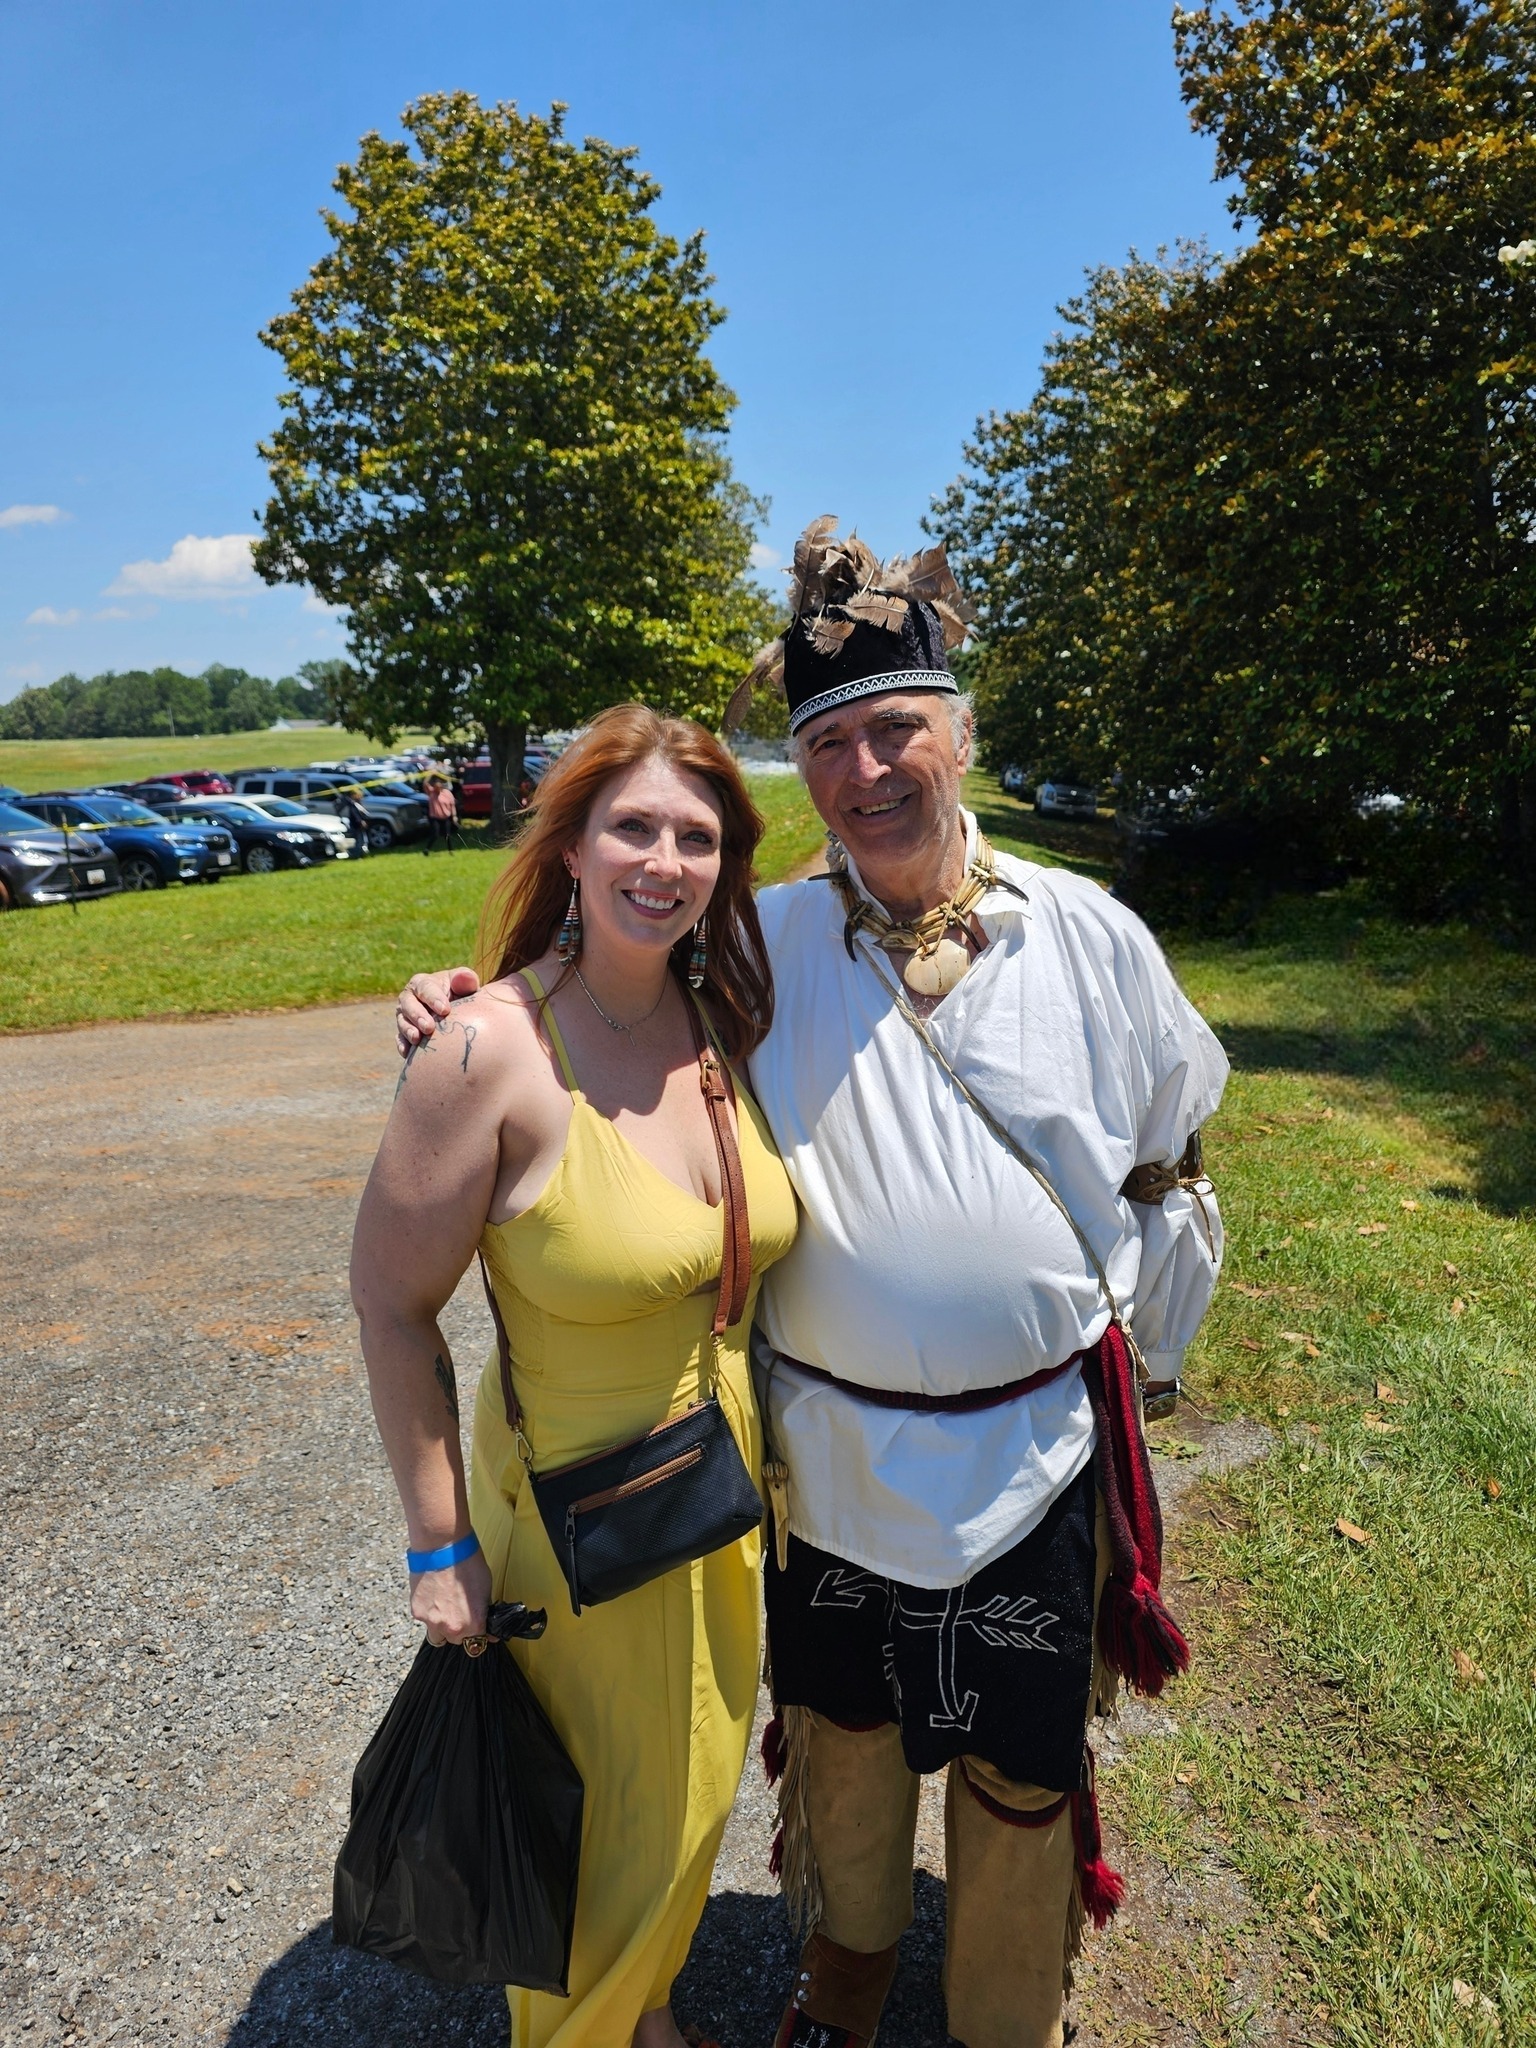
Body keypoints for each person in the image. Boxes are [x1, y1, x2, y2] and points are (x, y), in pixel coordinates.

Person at [396, 520, 1229, 2048]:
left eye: (897, 728)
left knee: (1022, 1762)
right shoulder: (758, 947)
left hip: (1037, 1451)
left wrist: (1154, 1342)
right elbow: (598, 991)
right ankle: (841, 1991)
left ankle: (1000, 2018)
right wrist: (467, 1001)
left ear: (960, 736)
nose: (866, 771)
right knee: (845, 1747)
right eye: (830, 741)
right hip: (829, 1461)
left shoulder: (1092, 933)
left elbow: (1173, 1147)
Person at [353, 704, 798, 2048]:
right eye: (635, 827)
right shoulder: (489, 1050)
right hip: (579, 1525)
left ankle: (641, 2011)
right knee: (604, 1828)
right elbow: (389, 1304)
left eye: (698, 837)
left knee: (691, 1798)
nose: (665, 860)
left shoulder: (728, 1017)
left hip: (718, 1499)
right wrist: (439, 1548)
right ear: (573, 842)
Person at [423, 771, 458, 853]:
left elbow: (452, 805)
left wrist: (454, 816)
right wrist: (430, 774)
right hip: (435, 818)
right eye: (435, 787)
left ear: (441, 786)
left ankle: (450, 850)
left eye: (438, 786)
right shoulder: (431, 792)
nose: (436, 789)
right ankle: (427, 849)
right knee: (435, 834)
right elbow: (425, 783)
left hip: (445, 818)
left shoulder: (447, 793)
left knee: (447, 835)